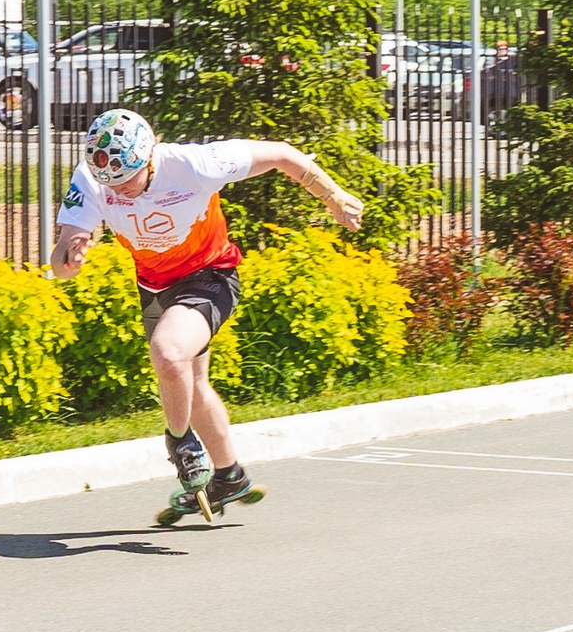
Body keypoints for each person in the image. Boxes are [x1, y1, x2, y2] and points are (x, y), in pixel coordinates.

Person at [49, 108, 365, 524]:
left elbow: (282, 154)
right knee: (190, 383)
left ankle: (180, 442)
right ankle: (229, 475)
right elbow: (63, 252)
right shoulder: (93, 175)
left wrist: (333, 196)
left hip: (210, 275)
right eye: (111, 185)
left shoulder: (193, 164)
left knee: (167, 352)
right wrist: (70, 255)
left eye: (127, 181)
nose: (119, 192)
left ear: (149, 159)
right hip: (155, 285)